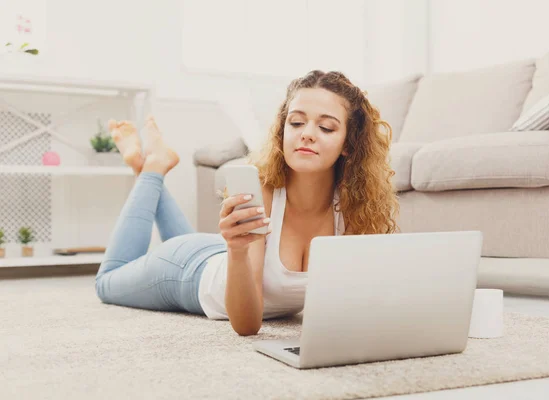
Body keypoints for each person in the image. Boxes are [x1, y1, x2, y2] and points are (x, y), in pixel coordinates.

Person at [95, 70, 399, 336]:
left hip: (218, 253)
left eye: (326, 127)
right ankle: (151, 169)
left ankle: (146, 166)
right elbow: (246, 326)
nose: (307, 134)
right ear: (282, 131)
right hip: (187, 273)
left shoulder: (354, 208)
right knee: (107, 282)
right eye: (296, 123)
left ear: (348, 143)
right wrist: (237, 251)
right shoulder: (263, 191)